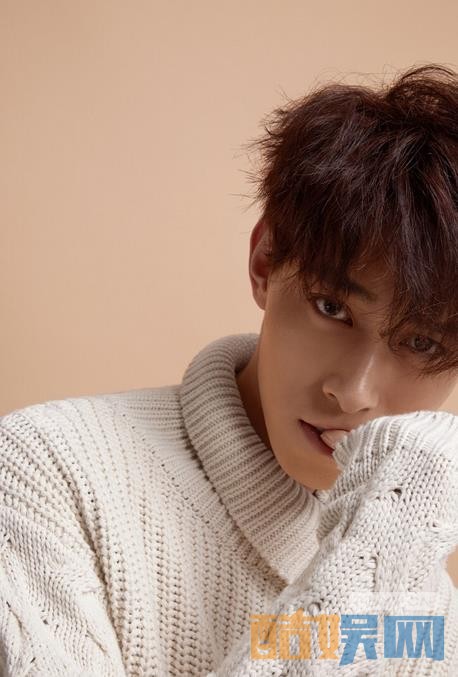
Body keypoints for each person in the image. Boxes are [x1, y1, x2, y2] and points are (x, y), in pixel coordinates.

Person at [1, 63, 457, 675]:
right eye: (332, 308)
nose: (352, 393)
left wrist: (387, 540)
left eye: (422, 343)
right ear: (266, 262)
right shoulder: (47, 472)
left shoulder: (420, 588)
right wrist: (370, 561)